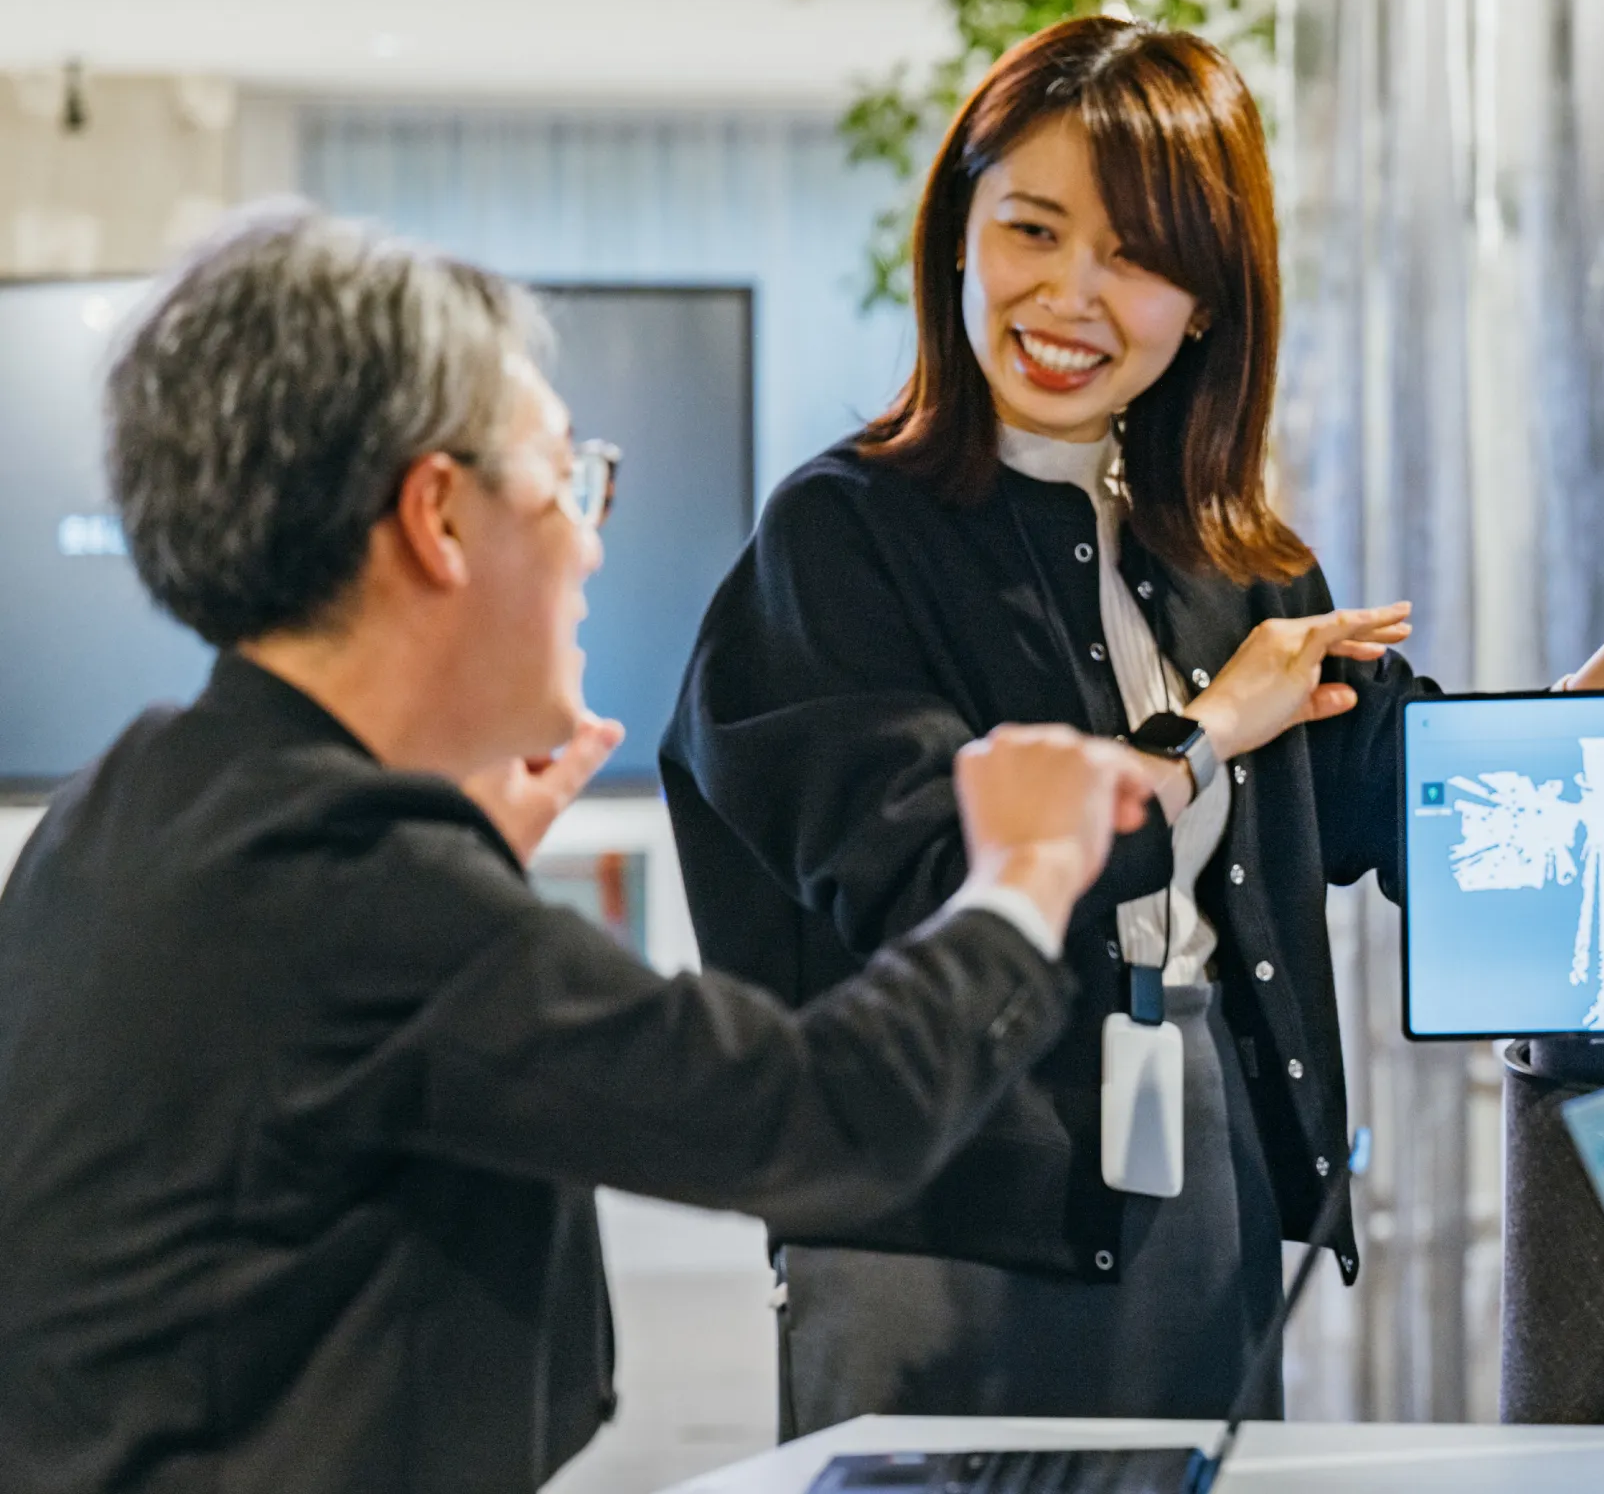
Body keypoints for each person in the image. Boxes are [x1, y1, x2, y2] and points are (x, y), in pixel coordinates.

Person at [660, 14, 1604, 1431]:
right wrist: (1209, 732)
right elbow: (929, 887)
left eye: (1138, 258)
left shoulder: (1239, 567)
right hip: (940, 1214)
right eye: (1032, 230)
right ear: (960, 229)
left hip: (1205, 1173)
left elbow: (1455, 823)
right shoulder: (837, 540)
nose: (1071, 295)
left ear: (1207, 303)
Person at [0, 205, 1164, 1493]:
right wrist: (1022, 877)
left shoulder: (128, 803)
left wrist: (470, 875)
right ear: (439, 517)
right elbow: (815, 1121)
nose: (590, 539)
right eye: (566, 481)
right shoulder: (354, 882)